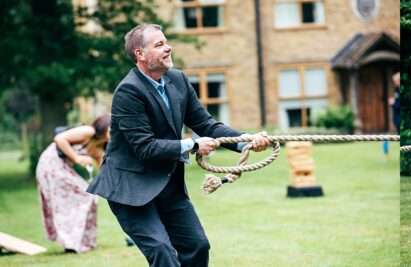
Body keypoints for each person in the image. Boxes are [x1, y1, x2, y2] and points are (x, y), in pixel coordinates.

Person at [86, 24, 270, 267]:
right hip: (130, 189)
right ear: (140, 54)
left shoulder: (178, 80)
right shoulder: (128, 92)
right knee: (162, 251)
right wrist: (192, 146)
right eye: (159, 44)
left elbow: (206, 125)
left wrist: (245, 141)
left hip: (168, 185)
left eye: (166, 41)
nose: (168, 47)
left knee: (197, 246)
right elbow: (146, 147)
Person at [35, 114, 110, 253]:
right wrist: (76, 158)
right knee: (80, 196)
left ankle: (82, 241)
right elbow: (59, 139)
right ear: (103, 127)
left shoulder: (99, 146)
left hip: (62, 166)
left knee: (90, 196)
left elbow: (102, 168)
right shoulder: (89, 131)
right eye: (111, 128)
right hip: (50, 163)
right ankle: (71, 243)